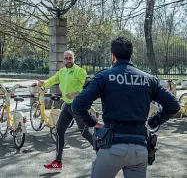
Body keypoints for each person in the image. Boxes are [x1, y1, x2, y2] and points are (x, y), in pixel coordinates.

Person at [72, 37, 180, 178]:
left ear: (112, 56)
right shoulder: (148, 79)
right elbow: (174, 106)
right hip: (140, 148)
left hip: (112, 146)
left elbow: (77, 105)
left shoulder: (104, 77)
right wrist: (153, 122)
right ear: (131, 55)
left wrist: (93, 123)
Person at [37, 50, 93, 169]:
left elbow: (90, 87)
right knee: (59, 130)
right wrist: (43, 84)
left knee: (85, 133)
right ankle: (58, 161)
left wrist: (76, 93)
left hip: (78, 106)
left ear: (74, 59)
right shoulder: (61, 72)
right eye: (66, 58)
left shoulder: (80, 71)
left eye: (70, 58)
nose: (68, 60)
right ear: (63, 60)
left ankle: (102, 152)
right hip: (67, 106)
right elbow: (52, 80)